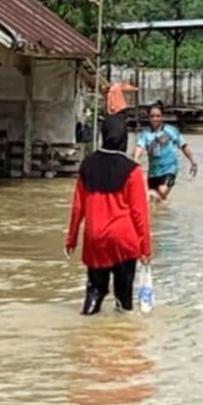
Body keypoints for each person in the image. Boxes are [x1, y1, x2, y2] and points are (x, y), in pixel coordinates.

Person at [65, 113, 152, 315]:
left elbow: (78, 207)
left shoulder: (87, 165)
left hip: (95, 239)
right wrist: (146, 248)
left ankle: (86, 331)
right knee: (124, 301)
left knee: (95, 291)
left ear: (103, 135)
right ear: (124, 139)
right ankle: (121, 340)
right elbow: (140, 214)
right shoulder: (133, 170)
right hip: (124, 240)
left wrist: (71, 240)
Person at [133, 102, 198, 203]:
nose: (155, 119)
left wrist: (193, 162)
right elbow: (139, 147)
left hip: (169, 170)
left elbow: (183, 146)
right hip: (153, 173)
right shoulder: (145, 134)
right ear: (148, 117)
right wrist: (136, 159)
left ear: (162, 116)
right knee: (153, 200)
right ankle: (164, 213)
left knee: (161, 191)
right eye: (152, 116)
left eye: (158, 116)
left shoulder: (171, 131)